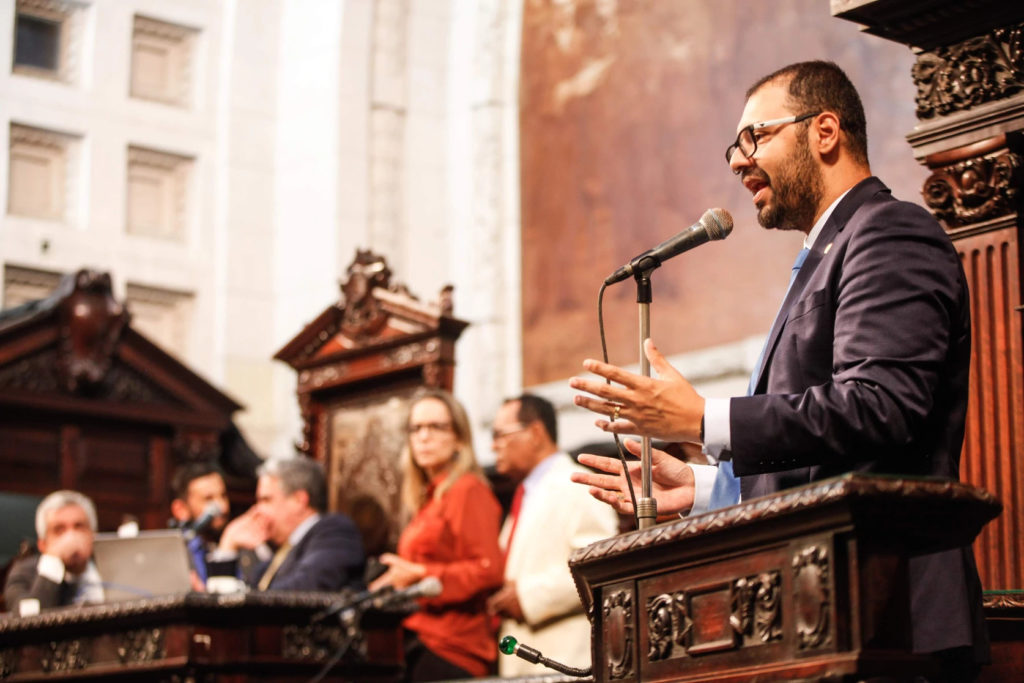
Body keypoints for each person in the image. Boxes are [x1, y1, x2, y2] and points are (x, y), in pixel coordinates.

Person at [569, 60, 987, 681]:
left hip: (893, 612)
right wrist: (711, 489)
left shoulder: (890, 232)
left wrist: (705, 418)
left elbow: (879, 405)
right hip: (827, 612)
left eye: (754, 137)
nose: (738, 161)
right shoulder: (827, 253)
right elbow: (829, 459)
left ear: (824, 131)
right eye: (734, 145)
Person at [368, 389, 503, 681]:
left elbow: (487, 571)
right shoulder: (428, 498)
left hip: (453, 649)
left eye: (435, 427)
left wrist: (420, 575)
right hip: (419, 640)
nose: (423, 437)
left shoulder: (467, 489)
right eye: (416, 428)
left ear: (458, 437)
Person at [485, 394, 620, 677]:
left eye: (500, 434)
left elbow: (599, 567)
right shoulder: (525, 494)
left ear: (535, 433)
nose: (493, 445)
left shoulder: (576, 485)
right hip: (527, 657)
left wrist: (526, 597)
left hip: (564, 657)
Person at [214, 457, 364, 592]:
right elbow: (223, 609)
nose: (257, 510)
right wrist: (228, 546)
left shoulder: (336, 532)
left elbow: (303, 590)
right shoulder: (279, 554)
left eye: (266, 500)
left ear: (299, 501)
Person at [4, 490, 104, 614]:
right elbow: (31, 624)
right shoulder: (22, 576)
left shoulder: (112, 567)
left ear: (93, 535)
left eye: (79, 527)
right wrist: (52, 564)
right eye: (59, 530)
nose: (71, 538)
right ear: (42, 544)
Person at [169, 461, 230, 588]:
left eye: (223, 496)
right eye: (208, 499)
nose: (222, 508)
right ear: (180, 509)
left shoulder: (237, 542)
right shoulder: (177, 554)